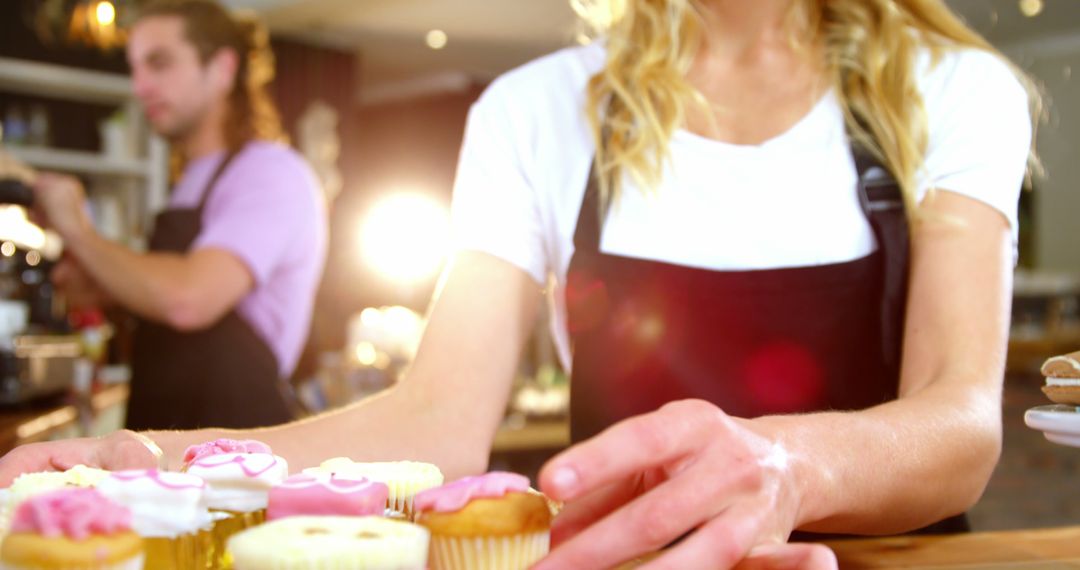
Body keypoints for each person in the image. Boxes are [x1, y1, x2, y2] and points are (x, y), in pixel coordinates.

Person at [0, 0, 1035, 567]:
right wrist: (149, 463)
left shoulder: (950, 91)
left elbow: (959, 429)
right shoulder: (536, 112)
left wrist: (788, 467)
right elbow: (438, 424)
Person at [30, 0, 327, 430]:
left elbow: (189, 299)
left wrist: (78, 230)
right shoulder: (193, 181)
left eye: (160, 64)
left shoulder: (271, 173)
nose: (140, 86)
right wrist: (102, 289)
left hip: (234, 459)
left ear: (223, 69)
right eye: (135, 68)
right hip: (168, 442)